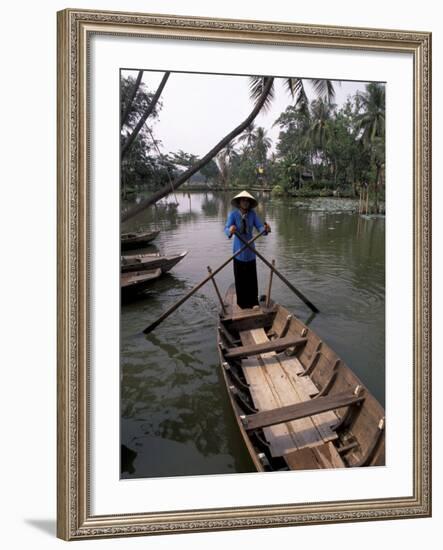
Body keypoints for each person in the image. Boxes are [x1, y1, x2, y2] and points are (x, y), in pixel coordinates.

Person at [224, 190, 270, 309]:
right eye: (243, 200)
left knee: (251, 279)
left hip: (250, 252)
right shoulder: (233, 215)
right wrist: (231, 230)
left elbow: (259, 227)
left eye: (247, 201)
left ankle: (253, 303)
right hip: (239, 252)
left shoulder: (252, 215)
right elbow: (226, 229)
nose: (245, 202)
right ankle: (242, 304)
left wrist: (265, 230)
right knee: (240, 279)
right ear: (239, 202)